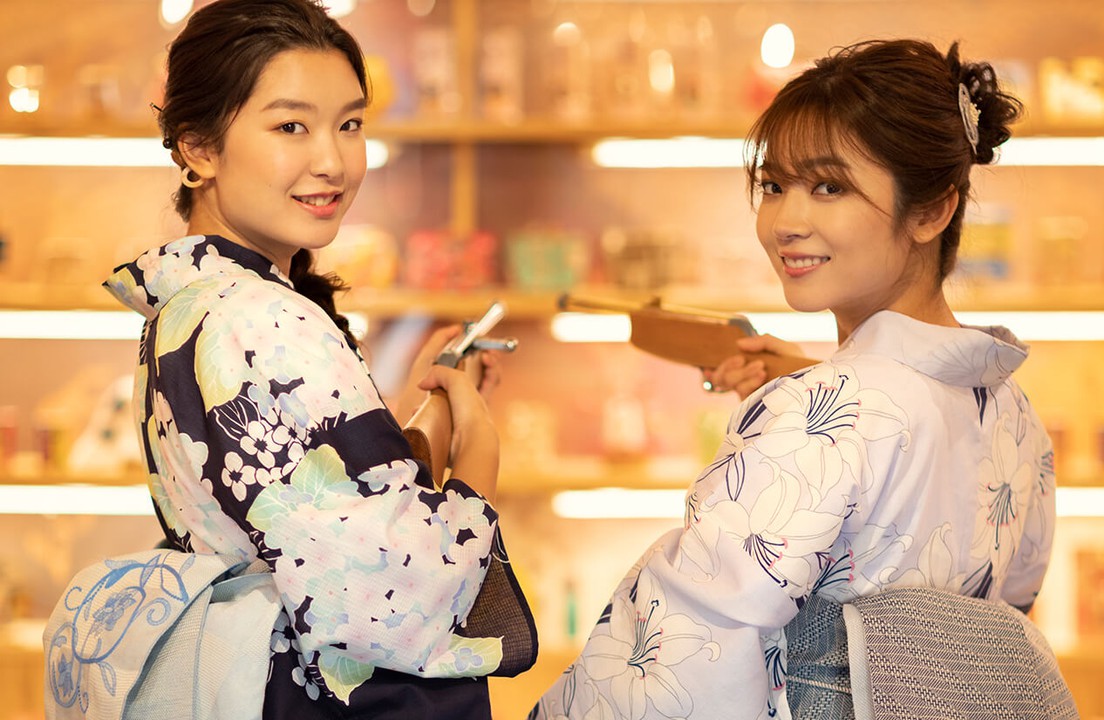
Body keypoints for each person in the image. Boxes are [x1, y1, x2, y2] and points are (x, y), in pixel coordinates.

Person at [531, 39, 1063, 719]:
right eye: (774, 186)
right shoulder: (1016, 416)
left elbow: (681, 652)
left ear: (932, 211)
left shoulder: (823, 408)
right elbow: (1011, 614)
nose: (785, 221)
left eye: (829, 187)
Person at [93, 1, 533, 717]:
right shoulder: (265, 317)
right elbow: (401, 585)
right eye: (290, 125)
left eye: (350, 124)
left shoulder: (191, 305)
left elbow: (312, 511)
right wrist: (478, 456)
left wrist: (432, 417)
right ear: (198, 147)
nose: (332, 160)